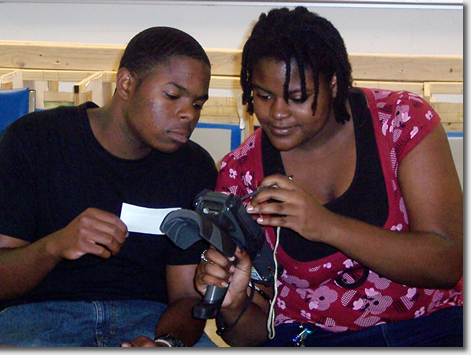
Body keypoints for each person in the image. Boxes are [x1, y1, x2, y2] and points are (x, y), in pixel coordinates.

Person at [194, 7, 463, 347]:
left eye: (298, 97)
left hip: (430, 328)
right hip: (312, 340)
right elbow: (254, 337)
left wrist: (325, 224)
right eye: (263, 96)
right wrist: (233, 305)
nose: (277, 113)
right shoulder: (241, 172)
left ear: (333, 84)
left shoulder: (401, 122)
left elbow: (447, 263)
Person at [0, 26, 218, 347]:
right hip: (36, 317)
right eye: (173, 95)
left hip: (149, 320)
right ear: (126, 84)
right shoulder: (34, 139)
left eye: (198, 104)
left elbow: (187, 298)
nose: (188, 114)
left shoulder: (194, 167)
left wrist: (166, 344)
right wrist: (55, 246)